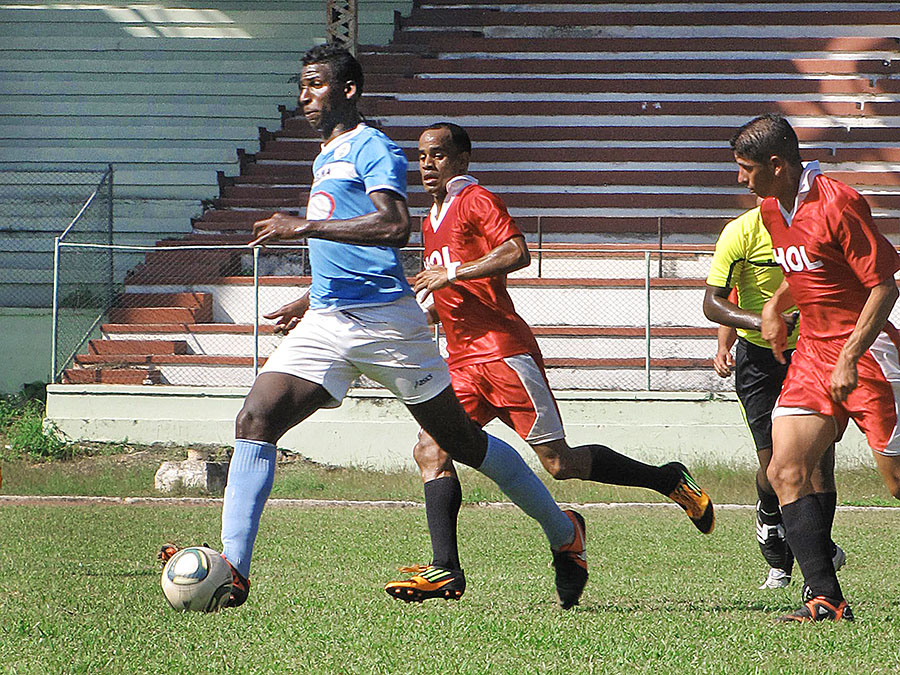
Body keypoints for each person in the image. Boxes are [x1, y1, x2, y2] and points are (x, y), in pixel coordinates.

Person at [163, 43, 598, 610]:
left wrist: (304, 226)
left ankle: (565, 533)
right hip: (328, 318)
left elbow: (393, 227)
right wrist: (308, 299)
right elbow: (344, 245)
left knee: (462, 443)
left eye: (316, 85)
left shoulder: (376, 148)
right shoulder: (325, 156)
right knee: (256, 415)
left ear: (348, 90)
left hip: (387, 324)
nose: (304, 96)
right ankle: (234, 571)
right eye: (301, 86)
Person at [383, 122, 715, 605]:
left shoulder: (475, 199)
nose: (427, 165)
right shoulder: (431, 219)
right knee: (431, 449)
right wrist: (425, 305)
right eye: (422, 156)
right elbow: (449, 287)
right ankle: (445, 570)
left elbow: (519, 252)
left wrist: (450, 273)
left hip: (504, 354)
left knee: (560, 464)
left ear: (462, 161)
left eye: (438, 155)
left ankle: (667, 479)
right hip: (461, 360)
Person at [731, 113, 900, 622]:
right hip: (811, 356)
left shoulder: (839, 202)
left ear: (776, 164)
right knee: (785, 469)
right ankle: (825, 597)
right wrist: (774, 306)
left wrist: (849, 355)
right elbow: (805, 267)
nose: (740, 178)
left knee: (896, 483)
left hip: (867, 354)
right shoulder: (769, 210)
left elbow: (884, 285)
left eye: (745, 168)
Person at [703, 207, 843, 590]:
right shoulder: (740, 233)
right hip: (760, 361)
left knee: (817, 466)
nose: (742, 179)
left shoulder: (816, 227)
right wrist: (759, 322)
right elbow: (715, 303)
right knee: (775, 469)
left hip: (813, 353)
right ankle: (769, 516)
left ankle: (817, 574)